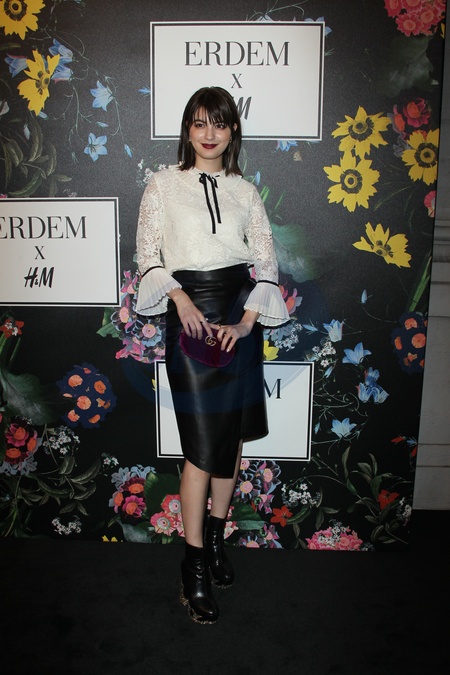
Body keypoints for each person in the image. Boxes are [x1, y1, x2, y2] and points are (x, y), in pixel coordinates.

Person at [136, 86, 289, 624]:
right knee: (202, 449)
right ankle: (193, 565)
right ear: (187, 129)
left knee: (231, 439)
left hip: (236, 318)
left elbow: (265, 263)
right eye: (199, 123)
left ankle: (218, 540)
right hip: (190, 320)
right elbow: (148, 255)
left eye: (219, 124)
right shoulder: (162, 185)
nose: (208, 134)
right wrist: (180, 300)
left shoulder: (246, 191)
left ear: (232, 131)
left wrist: (247, 323)